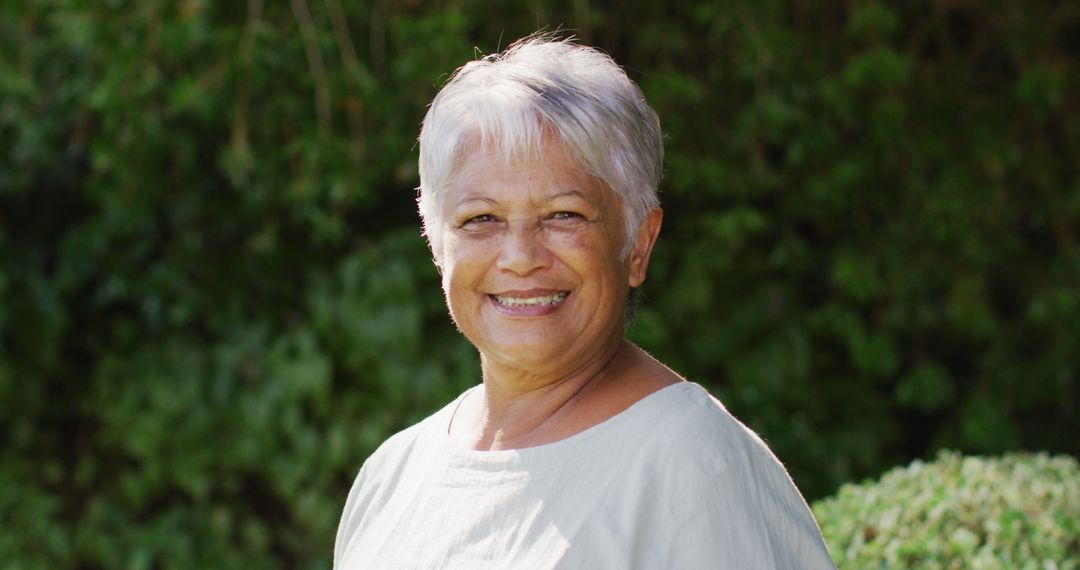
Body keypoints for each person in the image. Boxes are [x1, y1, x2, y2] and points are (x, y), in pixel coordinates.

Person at [334, 35, 836, 569]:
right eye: (481, 219)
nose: (521, 256)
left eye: (563, 215)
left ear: (638, 243)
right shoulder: (393, 474)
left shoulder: (692, 464)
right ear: (437, 243)